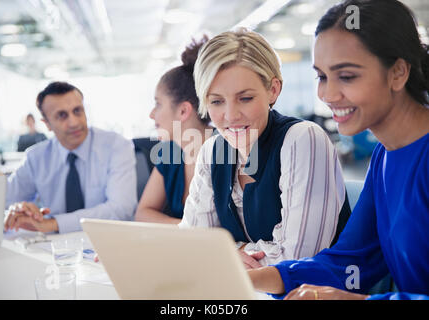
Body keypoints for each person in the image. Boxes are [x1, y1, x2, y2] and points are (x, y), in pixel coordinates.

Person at [248, 0, 429, 300]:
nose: (327, 94)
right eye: (321, 76)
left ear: (398, 72)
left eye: (346, 76)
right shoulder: (385, 157)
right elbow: (351, 260)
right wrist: (247, 278)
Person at [179, 28, 351, 269]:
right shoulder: (212, 151)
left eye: (245, 98)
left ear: (273, 90)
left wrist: (226, 252)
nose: (231, 115)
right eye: (216, 101)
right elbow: (190, 244)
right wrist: (222, 253)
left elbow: (295, 259)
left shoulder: (303, 139)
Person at [4, 81, 138, 234]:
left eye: (77, 111)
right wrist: (19, 211)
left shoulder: (116, 146)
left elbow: (121, 208)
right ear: (47, 123)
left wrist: (53, 224)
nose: (74, 122)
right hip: (56, 247)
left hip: (109, 238)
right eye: (62, 115)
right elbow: (4, 203)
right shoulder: (35, 158)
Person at [135, 36, 214, 224]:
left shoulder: (224, 152)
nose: (152, 114)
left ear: (183, 110)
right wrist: (185, 230)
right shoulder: (170, 153)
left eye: (158, 104)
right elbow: (143, 213)